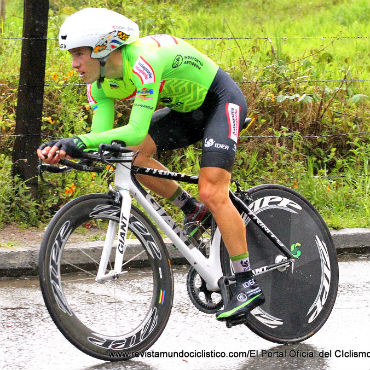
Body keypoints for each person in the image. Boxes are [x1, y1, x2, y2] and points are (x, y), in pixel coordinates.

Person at [37, 7, 265, 321]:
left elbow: (134, 130)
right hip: (186, 113)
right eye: (71, 55)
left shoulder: (143, 63)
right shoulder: (98, 84)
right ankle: (191, 209)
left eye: (79, 54)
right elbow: (101, 138)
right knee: (134, 156)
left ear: (103, 49)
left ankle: (245, 282)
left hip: (220, 102)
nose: (74, 64)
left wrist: (75, 142)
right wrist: (66, 149)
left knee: (212, 191)